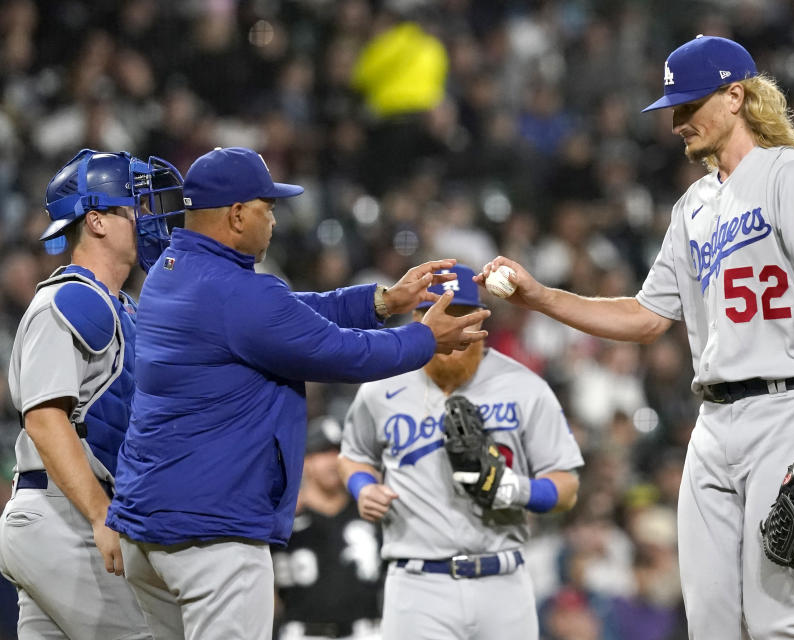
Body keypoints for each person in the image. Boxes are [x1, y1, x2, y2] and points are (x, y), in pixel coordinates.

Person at [476, 35, 794, 639]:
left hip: (789, 411)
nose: (677, 122)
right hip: (713, 424)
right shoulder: (692, 207)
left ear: (735, 96)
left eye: (688, 105)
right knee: (709, 625)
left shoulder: (789, 175)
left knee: (779, 621)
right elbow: (647, 317)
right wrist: (540, 297)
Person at [106, 146, 490, 640]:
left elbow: (284, 314)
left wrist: (380, 301)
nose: (274, 222)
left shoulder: (171, 271)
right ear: (238, 214)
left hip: (150, 528)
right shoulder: (238, 293)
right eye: (268, 209)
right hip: (211, 532)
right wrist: (424, 339)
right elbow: (342, 354)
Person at [339, 263, 584, 640]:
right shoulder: (382, 385)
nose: (450, 326)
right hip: (417, 583)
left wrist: (513, 490)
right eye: (437, 314)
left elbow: (567, 486)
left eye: (460, 315)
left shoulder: (524, 386)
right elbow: (354, 455)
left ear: (481, 317)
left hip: (503, 582)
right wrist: (363, 488)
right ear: (418, 317)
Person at [0, 148, 185, 638]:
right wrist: (102, 516)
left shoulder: (121, 305)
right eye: (134, 207)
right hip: (65, 515)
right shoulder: (69, 299)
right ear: (97, 221)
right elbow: (43, 419)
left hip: (67, 515)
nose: (147, 219)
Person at [272, 417, 383, 640]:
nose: (333, 461)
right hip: (302, 633)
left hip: (369, 631)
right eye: (323, 452)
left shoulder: (372, 513)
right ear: (305, 460)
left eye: (339, 452)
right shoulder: (281, 522)